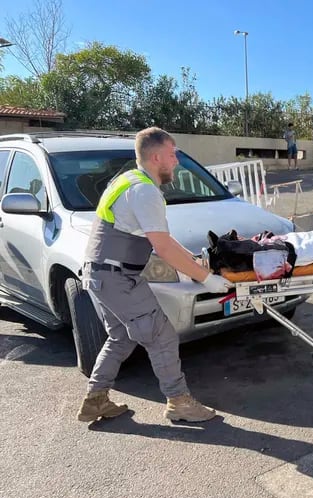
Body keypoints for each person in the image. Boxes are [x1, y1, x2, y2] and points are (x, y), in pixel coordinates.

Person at [77, 127, 232, 424]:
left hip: (100, 275)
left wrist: (196, 262)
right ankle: (179, 402)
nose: (176, 162)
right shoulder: (145, 190)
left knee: (121, 336)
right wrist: (205, 279)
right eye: (173, 155)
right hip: (117, 278)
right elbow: (161, 246)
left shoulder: (127, 180)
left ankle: (95, 399)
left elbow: (164, 240)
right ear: (157, 156)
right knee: (161, 335)